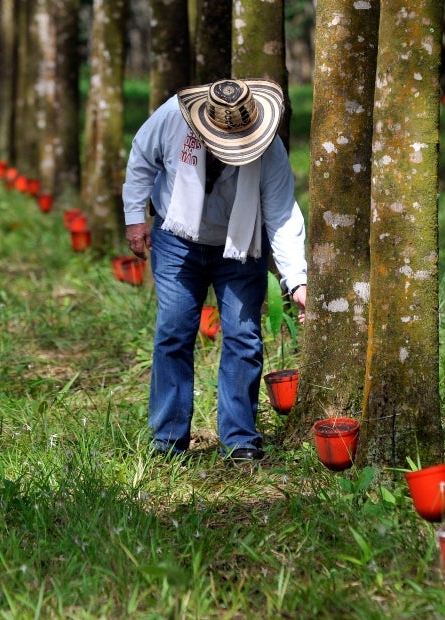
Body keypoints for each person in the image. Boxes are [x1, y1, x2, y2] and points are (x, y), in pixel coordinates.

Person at [122, 78, 307, 463]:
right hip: (176, 240)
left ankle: (240, 441)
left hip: (240, 246)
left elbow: (282, 212)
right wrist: (134, 217)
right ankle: (168, 441)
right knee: (173, 331)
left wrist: (297, 280)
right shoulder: (173, 117)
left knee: (244, 338)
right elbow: (142, 156)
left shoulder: (268, 148)